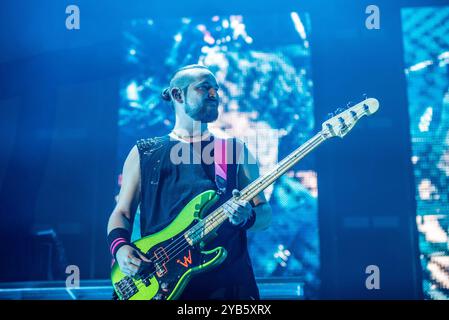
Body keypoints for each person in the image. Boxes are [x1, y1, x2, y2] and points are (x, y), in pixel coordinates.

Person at [107, 64, 272, 299]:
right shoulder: (144, 152)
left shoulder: (234, 151)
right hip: (162, 284)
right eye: (204, 88)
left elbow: (264, 213)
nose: (214, 94)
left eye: (216, 89)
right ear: (177, 94)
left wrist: (248, 217)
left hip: (227, 287)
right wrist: (121, 248)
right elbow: (122, 213)